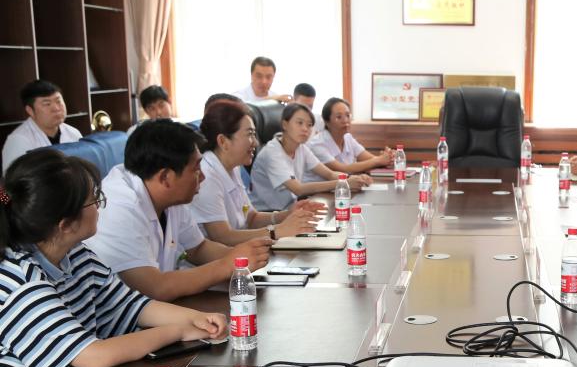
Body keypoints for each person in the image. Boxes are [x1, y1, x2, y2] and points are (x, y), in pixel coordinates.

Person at [0, 149, 227, 367]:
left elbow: (134, 306)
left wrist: (197, 319)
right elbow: (95, 356)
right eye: (94, 201)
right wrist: (177, 330)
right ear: (65, 224)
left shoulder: (76, 256)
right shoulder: (19, 282)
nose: (99, 207)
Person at [85, 119, 271, 301]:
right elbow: (155, 287)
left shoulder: (168, 193)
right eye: (196, 169)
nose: (203, 177)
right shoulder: (120, 207)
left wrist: (243, 256)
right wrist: (227, 265)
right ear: (166, 177)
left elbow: (198, 248)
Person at [190, 100, 322, 245]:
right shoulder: (207, 177)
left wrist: (288, 214)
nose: (256, 143)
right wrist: (277, 231)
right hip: (223, 256)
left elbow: (251, 218)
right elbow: (223, 237)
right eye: (250, 134)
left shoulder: (233, 167)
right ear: (223, 141)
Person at [250, 103, 367, 211]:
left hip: (290, 209)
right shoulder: (272, 152)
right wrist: (344, 183)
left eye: (309, 125)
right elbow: (298, 189)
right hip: (267, 214)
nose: (305, 129)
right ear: (285, 124)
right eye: (300, 123)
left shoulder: (301, 148)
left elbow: (330, 174)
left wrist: (355, 179)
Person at [2, 80, 83, 174]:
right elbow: (13, 178)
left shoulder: (73, 133)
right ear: (30, 110)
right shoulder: (19, 140)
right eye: (47, 104)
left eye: (58, 101)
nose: (56, 108)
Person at [304, 97, 389, 181]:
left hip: (342, 186)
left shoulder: (348, 138)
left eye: (348, 115)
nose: (345, 120)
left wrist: (387, 157)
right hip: (318, 189)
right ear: (327, 122)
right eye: (339, 117)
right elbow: (343, 169)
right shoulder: (317, 144)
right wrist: (379, 160)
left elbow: (370, 158)